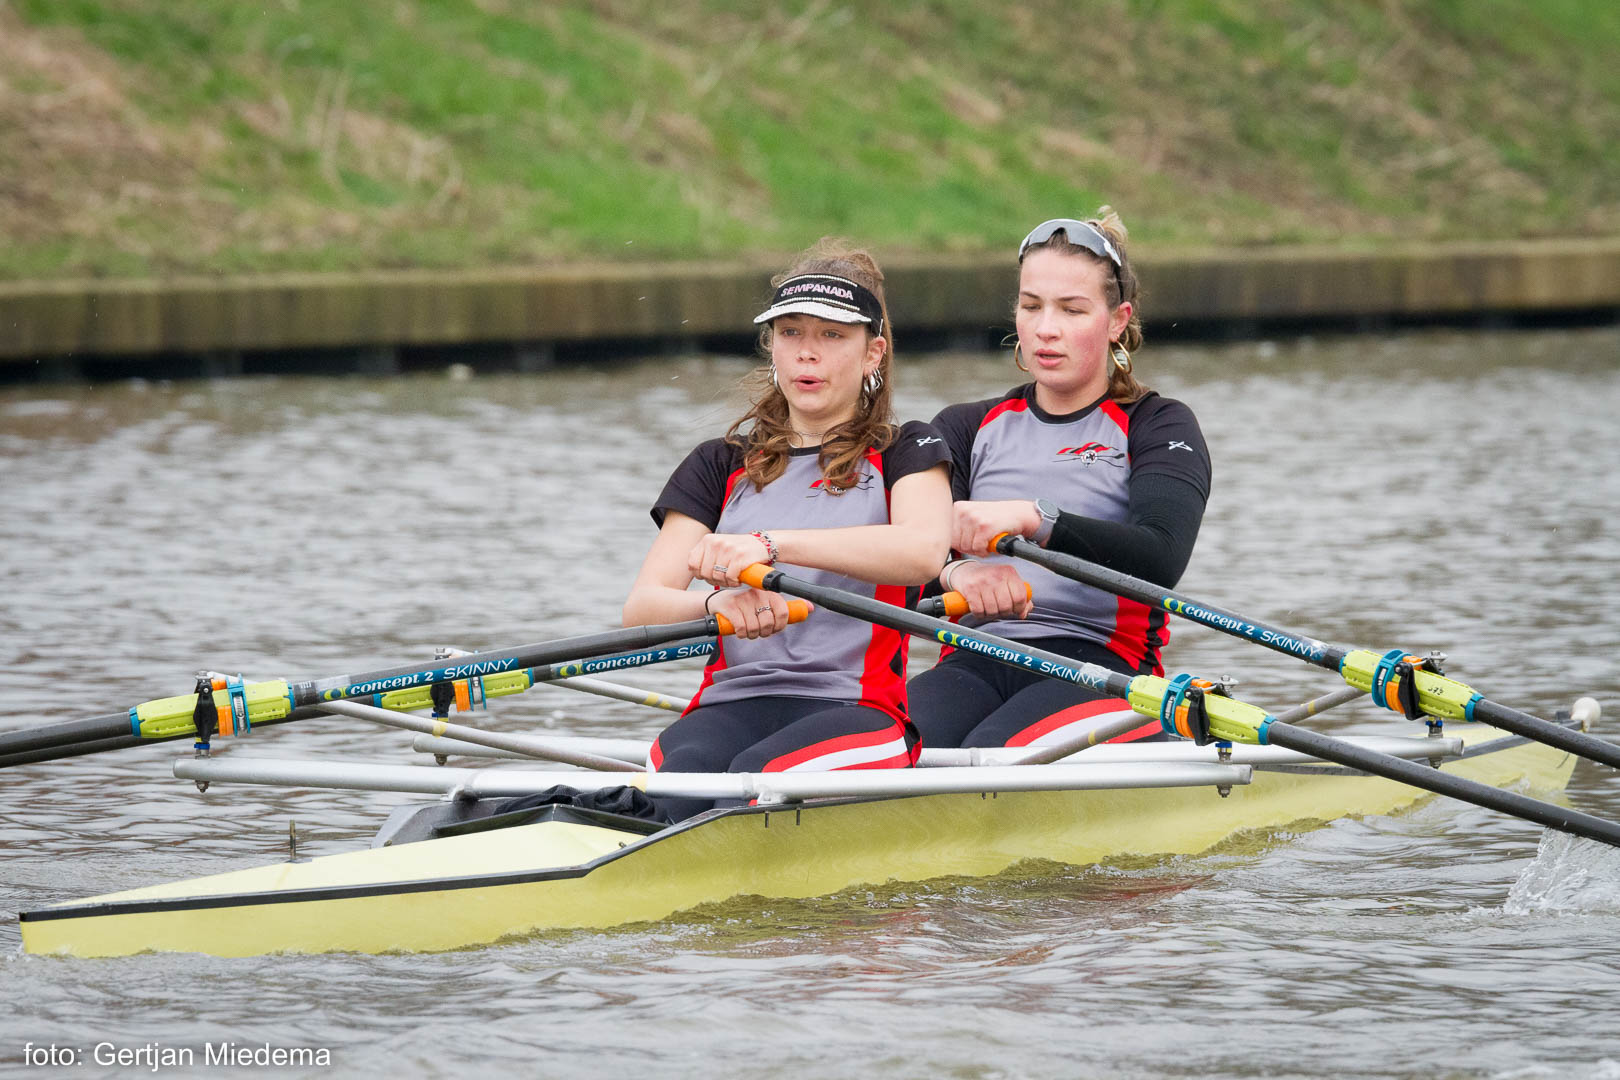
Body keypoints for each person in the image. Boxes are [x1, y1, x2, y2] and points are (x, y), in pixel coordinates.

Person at [623, 239, 953, 820]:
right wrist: (717, 605)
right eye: (791, 332)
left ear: (873, 353)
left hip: (857, 709)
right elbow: (642, 609)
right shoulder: (718, 463)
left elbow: (923, 553)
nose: (807, 353)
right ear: (771, 345)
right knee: (674, 792)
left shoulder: (908, 450)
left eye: (832, 335)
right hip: (727, 702)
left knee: (758, 783)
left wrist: (769, 547)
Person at [908, 210, 1212, 750]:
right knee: (899, 746)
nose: (1046, 328)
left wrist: (1037, 519)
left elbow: (1161, 556)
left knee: (991, 754)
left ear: (1117, 320)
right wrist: (957, 573)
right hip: (973, 659)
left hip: (1106, 668)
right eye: (1031, 307)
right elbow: (905, 561)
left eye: (1072, 310)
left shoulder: (1157, 424)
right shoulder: (963, 427)